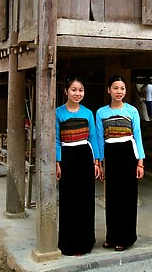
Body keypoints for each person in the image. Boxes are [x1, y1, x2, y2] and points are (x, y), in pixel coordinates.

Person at [96, 75, 145, 251]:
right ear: (109, 90)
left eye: (122, 88)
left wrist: (140, 162)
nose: (119, 91)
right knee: (112, 197)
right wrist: (100, 162)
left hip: (128, 155)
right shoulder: (101, 112)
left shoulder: (132, 111)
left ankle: (126, 238)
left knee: (128, 197)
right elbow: (100, 139)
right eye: (115, 88)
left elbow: (138, 136)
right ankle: (112, 236)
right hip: (111, 155)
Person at [56, 77, 101, 256]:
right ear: (66, 91)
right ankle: (69, 244)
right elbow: (56, 140)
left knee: (85, 200)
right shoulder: (58, 113)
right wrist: (57, 162)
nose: (77, 93)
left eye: (80, 90)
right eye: (73, 90)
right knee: (68, 201)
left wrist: (96, 161)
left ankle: (85, 242)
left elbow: (93, 138)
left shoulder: (88, 113)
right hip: (67, 157)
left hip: (85, 156)